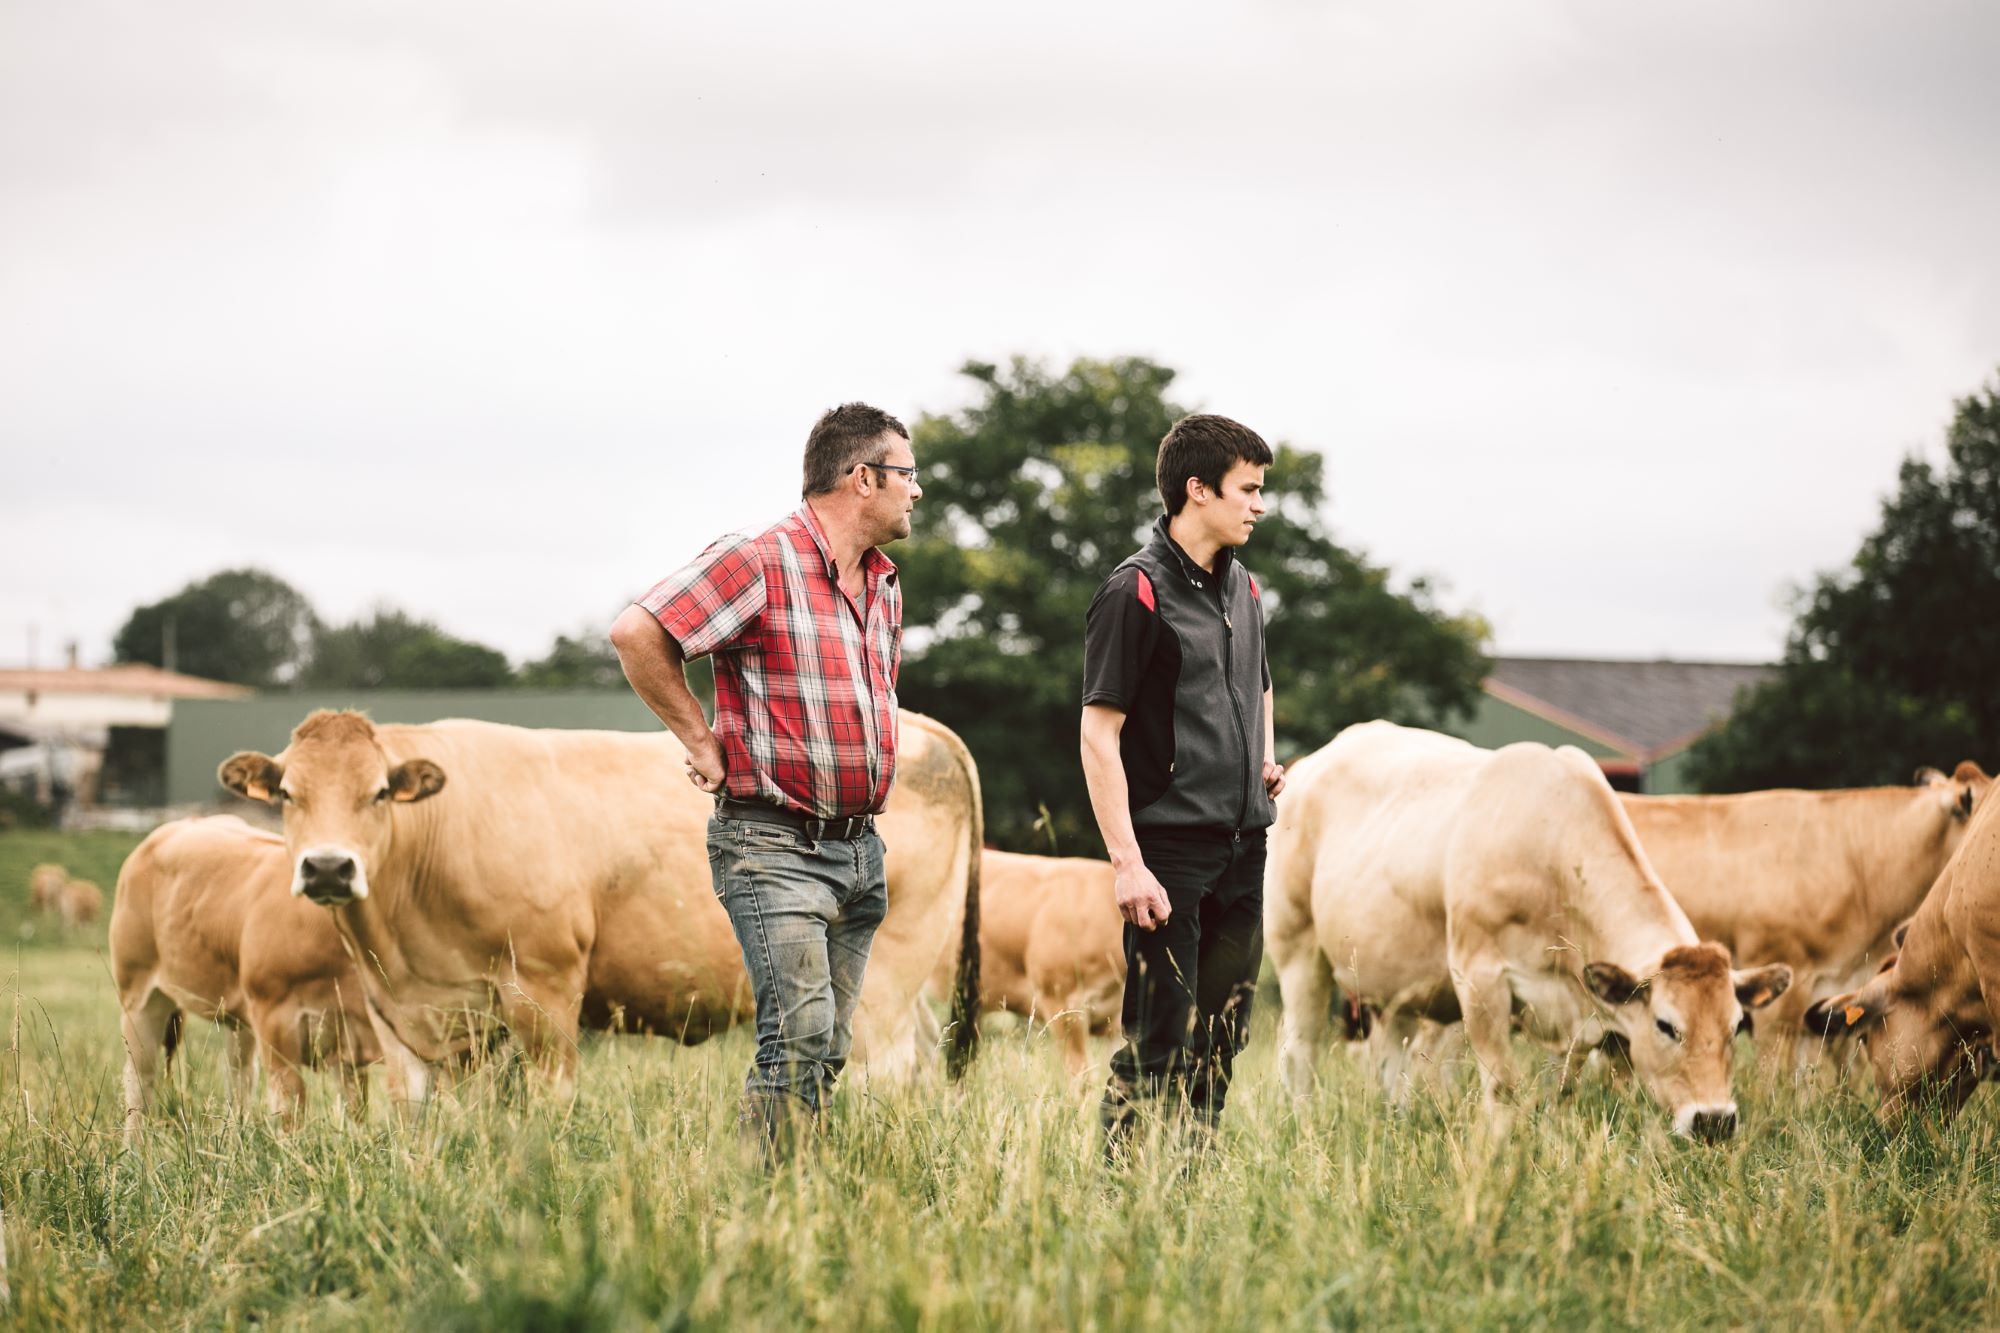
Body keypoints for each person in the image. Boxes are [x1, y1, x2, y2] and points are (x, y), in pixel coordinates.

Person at [610, 402, 920, 1160]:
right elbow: (638, 631)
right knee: (798, 1036)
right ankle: (771, 1209)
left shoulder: (883, 584)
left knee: (827, 1044)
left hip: (858, 851)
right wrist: (699, 736)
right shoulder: (759, 559)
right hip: (774, 842)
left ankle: (799, 1194)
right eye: (908, 476)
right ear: (863, 478)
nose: (917, 493)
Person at [1079, 413, 1286, 1152]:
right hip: (1169, 852)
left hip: (1244, 846)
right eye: (1248, 489)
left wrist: (1263, 752)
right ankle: (1122, 1193)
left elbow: (1259, 683)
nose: (1259, 505)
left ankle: (1192, 1183)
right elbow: (1097, 734)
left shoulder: (1247, 591)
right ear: (1197, 490)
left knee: (1225, 1034)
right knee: (1159, 1037)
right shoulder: (1134, 591)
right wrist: (1128, 863)